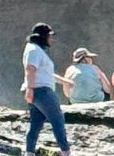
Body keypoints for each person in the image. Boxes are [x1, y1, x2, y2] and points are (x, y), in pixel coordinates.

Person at [24, 21, 71, 156]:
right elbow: (30, 69)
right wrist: (30, 89)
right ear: (42, 36)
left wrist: (64, 81)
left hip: (38, 90)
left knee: (36, 123)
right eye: (49, 36)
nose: (50, 39)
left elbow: (46, 73)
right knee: (57, 119)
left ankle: (29, 152)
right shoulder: (34, 49)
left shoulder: (36, 50)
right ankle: (65, 151)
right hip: (41, 91)